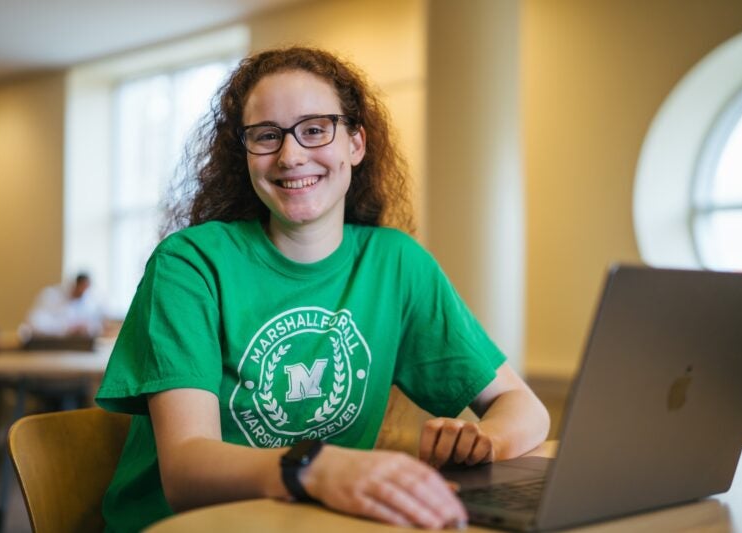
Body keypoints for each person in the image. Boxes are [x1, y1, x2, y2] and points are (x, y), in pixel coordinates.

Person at [95, 46, 550, 532]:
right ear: (245, 155)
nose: (291, 156)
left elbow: (525, 408)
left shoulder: (396, 263)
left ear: (355, 144)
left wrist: (485, 443)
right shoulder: (190, 263)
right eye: (267, 136)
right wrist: (316, 466)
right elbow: (185, 471)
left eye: (315, 130)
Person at [23, 272, 103, 338]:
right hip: (46, 346)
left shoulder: (85, 302)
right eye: (82, 288)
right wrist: (68, 328)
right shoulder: (50, 295)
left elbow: (92, 324)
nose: (83, 293)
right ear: (75, 285)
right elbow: (34, 323)